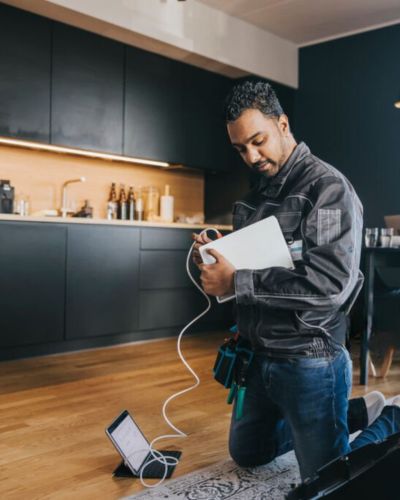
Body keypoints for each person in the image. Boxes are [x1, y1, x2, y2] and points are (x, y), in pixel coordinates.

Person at [192, 80, 400, 481]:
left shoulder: (327, 189)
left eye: (258, 141)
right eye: (241, 148)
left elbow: (328, 284)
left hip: (311, 358)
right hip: (258, 356)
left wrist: (236, 281)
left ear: (283, 124)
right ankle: (354, 411)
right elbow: (258, 267)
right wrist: (222, 256)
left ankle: (389, 420)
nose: (251, 156)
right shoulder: (256, 197)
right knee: (248, 454)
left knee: (328, 482)